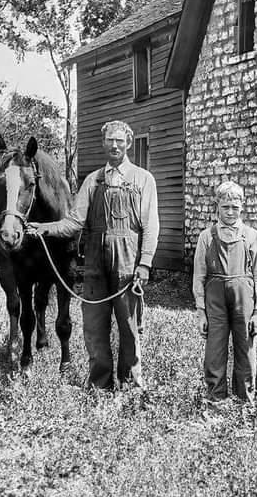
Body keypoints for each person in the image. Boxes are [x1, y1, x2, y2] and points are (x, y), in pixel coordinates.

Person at [28, 120, 159, 390]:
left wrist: (144, 263)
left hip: (128, 259)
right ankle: (99, 385)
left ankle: (129, 385)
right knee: (94, 325)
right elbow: (74, 222)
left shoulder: (144, 179)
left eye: (120, 141)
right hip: (95, 260)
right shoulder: (93, 180)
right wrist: (44, 228)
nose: (114, 145)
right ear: (103, 143)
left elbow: (151, 226)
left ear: (128, 144)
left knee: (129, 326)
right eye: (110, 140)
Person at [192, 180, 257, 403]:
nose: (230, 212)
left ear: (242, 207)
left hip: (244, 299)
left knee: (246, 349)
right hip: (215, 300)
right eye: (226, 207)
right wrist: (200, 311)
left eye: (235, 207)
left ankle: (245, 402)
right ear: (217, 206)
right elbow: (199, 275)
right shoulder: (207, 237)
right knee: (214, 351)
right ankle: (215, 401)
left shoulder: (252, 236)